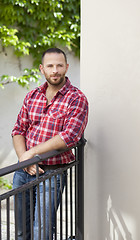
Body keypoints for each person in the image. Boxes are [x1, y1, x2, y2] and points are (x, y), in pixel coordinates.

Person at [12, 47, 88, 240]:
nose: (55, 70)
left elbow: (70, 136)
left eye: (59, 65)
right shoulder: (32, 96)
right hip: (23, 172)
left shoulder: (76, 99)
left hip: (51, 174)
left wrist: (32, 153)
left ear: (67, 67)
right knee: (21, 232)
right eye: (50, 66)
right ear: (41, 68)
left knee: (42, 233)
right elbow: (18, 130)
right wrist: (24, 159)